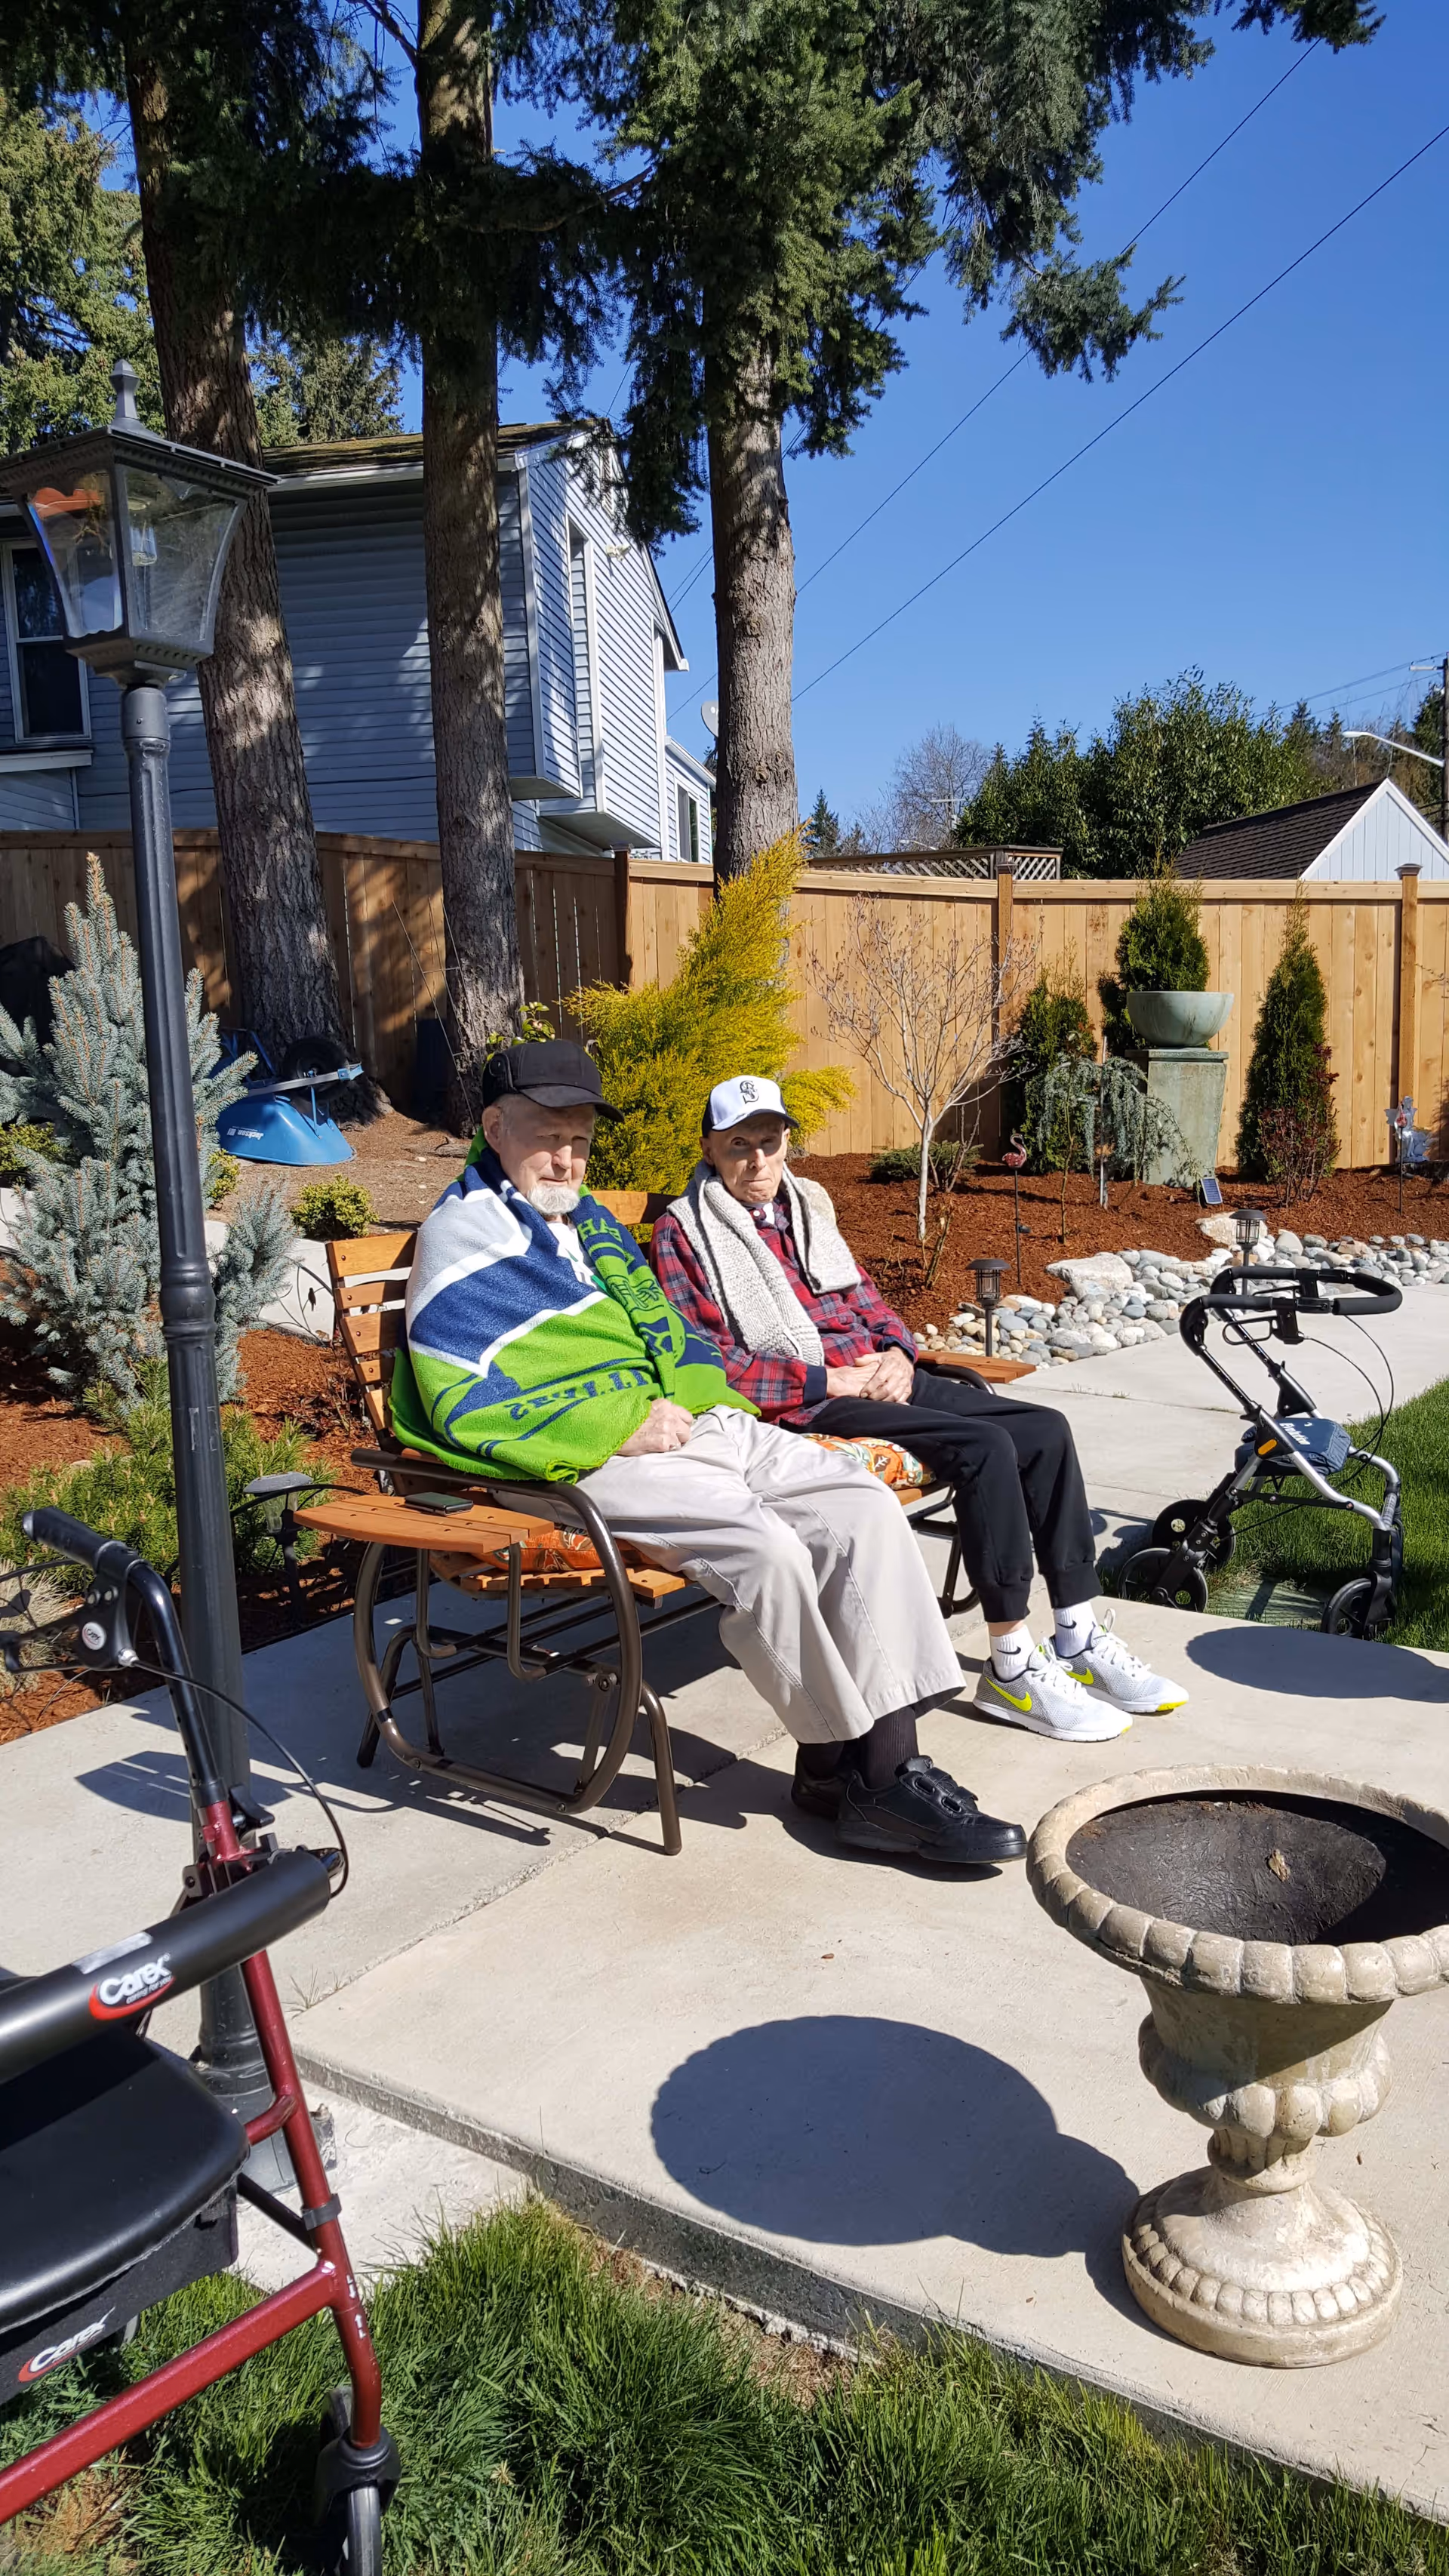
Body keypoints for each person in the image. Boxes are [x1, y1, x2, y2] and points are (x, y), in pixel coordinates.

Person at [391, 1039, 1026, 1870]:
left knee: (859, 1502)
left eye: (580, 1138)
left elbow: (673, 1334)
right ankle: (873, 1774)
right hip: (580, 1457)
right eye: (547, 1136)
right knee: (767, 1547)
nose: (567, 1158)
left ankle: (853, 1771)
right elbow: (464, 1390)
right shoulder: (464, 1232)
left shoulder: (588, 1223)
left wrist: (696, 1402)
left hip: (690, 1420)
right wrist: (615, 1425)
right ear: (493, 1127)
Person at [648, 1076, 1189, 1744]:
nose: (758, 1160)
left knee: (1046, 1430)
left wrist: (900, 1354)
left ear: (787, 1141)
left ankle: (1076, 1636)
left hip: (879, 1375)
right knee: (984, 1448)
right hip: (808, 1402)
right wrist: (827, 1379)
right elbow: (711, 1362)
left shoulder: (807, 1206)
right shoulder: (684, 1231)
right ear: (709, 1148)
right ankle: (1012, 1668)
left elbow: (869, 1302)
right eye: (739, 1145)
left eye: (769, 1140)